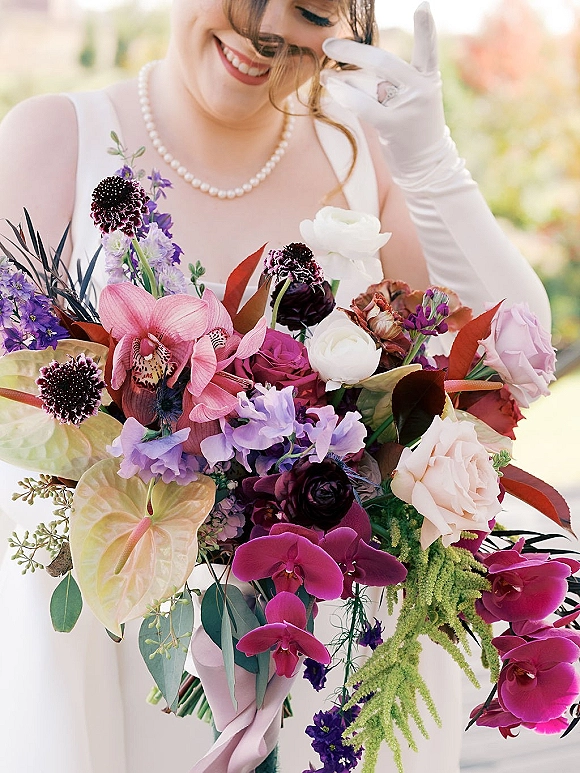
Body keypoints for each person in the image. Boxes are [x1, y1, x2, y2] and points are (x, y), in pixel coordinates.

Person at [0, 2, 551, 772]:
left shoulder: (367, 162)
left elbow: (516, 361)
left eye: (308, 9)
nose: (268, 33)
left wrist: (431, 165)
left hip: (338, 684)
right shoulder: (56, 141)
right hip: (116, 681)